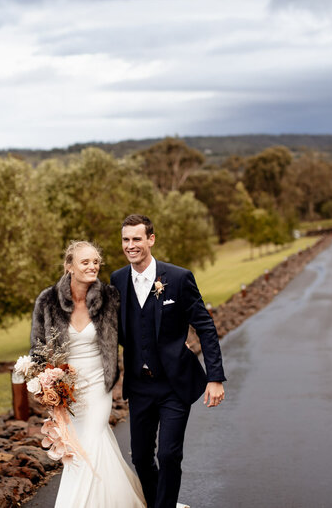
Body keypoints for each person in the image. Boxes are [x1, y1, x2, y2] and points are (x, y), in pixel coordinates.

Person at [111, 214, 226, 508]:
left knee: (169, 455)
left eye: (137, 238)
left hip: (174, 384)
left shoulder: (178, 278)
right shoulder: (117, 280)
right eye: (126, 239)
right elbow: (113, 331)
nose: (131, 245)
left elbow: (205, 326)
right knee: (140, 458)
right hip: (139, 386)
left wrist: (215, 377)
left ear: (151, 239)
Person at [30, 240, 145, 508]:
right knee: (83, 446)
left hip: (98, 384)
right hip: (66, 390)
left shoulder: (110, 297)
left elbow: (134, 332)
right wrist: (45, 385)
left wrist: (171, 344)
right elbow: (38, 349)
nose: (92, 266)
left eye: (95, 261)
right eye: (85, 262)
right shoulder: (47, 301)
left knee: (90, 441)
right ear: (69, 266)